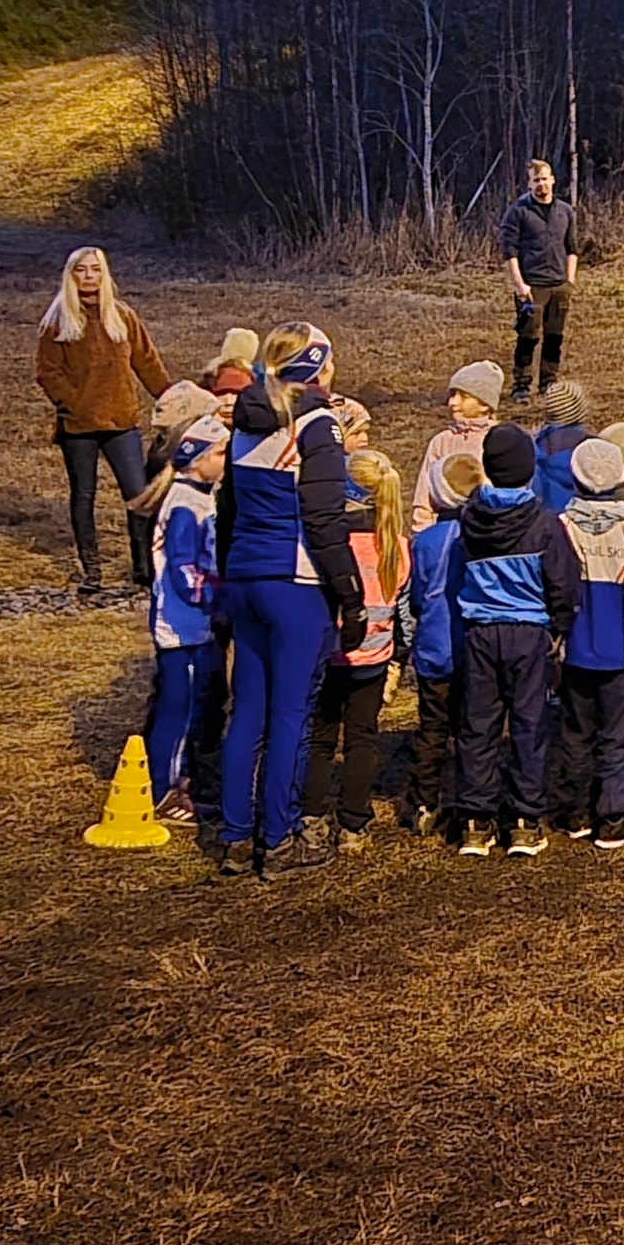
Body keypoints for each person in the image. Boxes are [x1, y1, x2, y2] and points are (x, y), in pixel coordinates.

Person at [208, 325, 367, 876]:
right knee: (291, 717)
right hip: (295, 582)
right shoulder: (317, 424)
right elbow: (324, 521)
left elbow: (227, 511)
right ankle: (277, 839)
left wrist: (225, 586)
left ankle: (234, 835)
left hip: (247, 578)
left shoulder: (243, 424)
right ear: (320, 368)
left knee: (246, 711)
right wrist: (351, 598)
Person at [434, 424, 569, 857]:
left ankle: (475, 820)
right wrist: (561, 625)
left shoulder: (470, 521)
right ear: (530, 470)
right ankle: (526, 821)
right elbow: (562, 583)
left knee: (478, 725)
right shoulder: (544, 525)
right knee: (529, 724)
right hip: (529, 634)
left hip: (480, 632)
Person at [33, 246, 172, 596]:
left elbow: (148, 363)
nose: (89, 276)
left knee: (139, 494)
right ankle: (91, 570)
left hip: (121, 420)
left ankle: (143, 569)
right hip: (78, 426)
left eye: (95, 270)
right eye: (82, 270)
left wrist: (172, 400)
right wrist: (74, 403)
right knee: (84, 495)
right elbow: (47, 372)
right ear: (71, 275)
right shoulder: (57, 321)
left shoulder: (122, 317)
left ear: (105, 274)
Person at [552, 437, 624, 848]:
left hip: (573, 647)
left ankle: (575, 810)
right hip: (621, 649)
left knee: (575, 731)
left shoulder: (560, 527)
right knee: (616, 735)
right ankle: (613, 815)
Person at [302, 441, 407, 848]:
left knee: (321, 739)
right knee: (364, 738)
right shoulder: (396, 546)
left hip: (329, 655)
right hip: (374, 658)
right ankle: (353, 825)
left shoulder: (329, 544)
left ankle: (311, 819)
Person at [144, 416, 231, 825]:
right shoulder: (183, 504)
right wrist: (217, 599)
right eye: (218, 452)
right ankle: (161, 793)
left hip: (196, 627)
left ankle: (181, 785)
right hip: (183, 630)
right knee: (177, 714)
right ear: (195, 459)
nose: (225, 460)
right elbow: (183, 570)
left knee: (194, 710)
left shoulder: (197, 497)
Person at [398, 452, 485, 837]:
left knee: (432, 728)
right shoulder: (481, 536)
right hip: (473, 646)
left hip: (434, 647)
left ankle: (423, 801)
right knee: (473, 727)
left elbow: (416, 597)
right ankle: (471, 802)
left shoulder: (426, 541)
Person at [499, 158, 579, 402]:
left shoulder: (565, 211)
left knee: (554, 337)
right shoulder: (518, 212)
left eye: (544, 179)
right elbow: (508, 251)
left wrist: (569, 281)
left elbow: (572, 248)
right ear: (529, 183)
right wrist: (519, 285)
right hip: (532, 286)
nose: (541, 184)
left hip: (559, 285)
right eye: (536, 180)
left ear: (553, 180)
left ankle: (549, 383)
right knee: (528, 337)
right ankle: (521, 385)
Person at [414, 361, 508, 534]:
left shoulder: (498, 440)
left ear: (484, 404)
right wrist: (421, 532)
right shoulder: (441, 441)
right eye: (452, 395)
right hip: (445, 528)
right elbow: (424, 493)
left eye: (463, 397)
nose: (453, 402)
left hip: (487, 528)